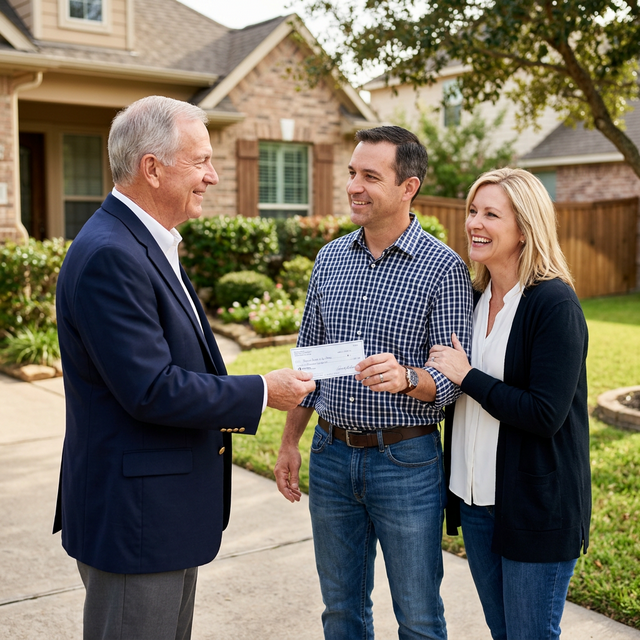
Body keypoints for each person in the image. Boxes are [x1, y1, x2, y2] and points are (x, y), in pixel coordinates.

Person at [53, 95, 315, 640]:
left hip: (159, 517)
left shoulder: (144, 242)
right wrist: (262, 391)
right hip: (136, 521)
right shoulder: (112, 255)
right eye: (200, 162)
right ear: (152, 168)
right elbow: (151, 389)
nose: (213, 177)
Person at [274, 125, 474, 639]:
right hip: (331, 456)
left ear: (408, 187)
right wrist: (290, 442)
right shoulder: (330, 259)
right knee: (340, 611)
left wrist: (409, 378)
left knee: (419, 617)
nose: (353, 186)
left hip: (406, 464)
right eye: (351, 173)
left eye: (369, 176)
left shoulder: (443, 269)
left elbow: (452, 381)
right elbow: (308, 368)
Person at [428, 168, 591, 640]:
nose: (475, 223)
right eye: (473, 211)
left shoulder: (553, 304)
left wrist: (467, 376)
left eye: (491, 214)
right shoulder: (473, 298)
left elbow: (545, 414)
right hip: (475, 501)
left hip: (534, 507)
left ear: (525, 228)